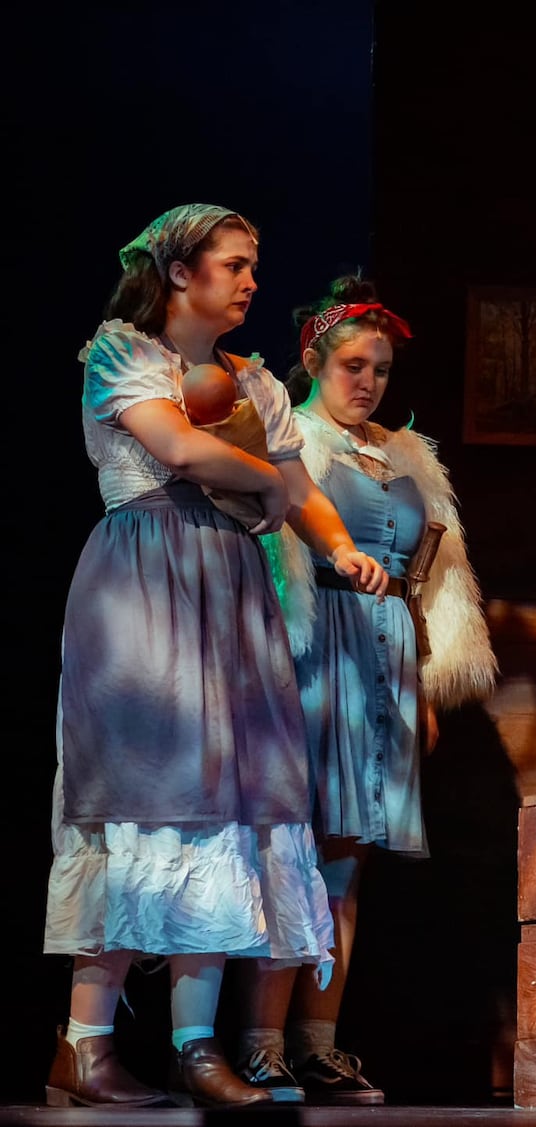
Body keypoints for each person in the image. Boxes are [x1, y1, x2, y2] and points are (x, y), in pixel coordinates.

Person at [43, 203, 388, 1109]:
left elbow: (302, 492)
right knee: (146, 796)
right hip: (142, 585)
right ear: (182, 271)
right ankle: (86, 1044)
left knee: (227, 799)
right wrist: (269, 480)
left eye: (253, 266)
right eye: (234, 264)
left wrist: (338, 544)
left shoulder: (257, 381)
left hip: (232, 588)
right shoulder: (122, 352)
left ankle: (196, 1044)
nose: (249, 280)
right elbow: (177, 447)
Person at [231, 275, 499, 1105]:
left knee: (347, 865)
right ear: (314, 359)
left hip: (382, 656)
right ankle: (257, 1045)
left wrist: (420, 683)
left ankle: (318, 1044)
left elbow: (424, 581)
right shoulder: (287, 437)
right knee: (295, 854)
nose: (367, 381)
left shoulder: (406, 453)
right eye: (352, 363)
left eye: (380, 367)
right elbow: (265, 556)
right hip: (311, 653)